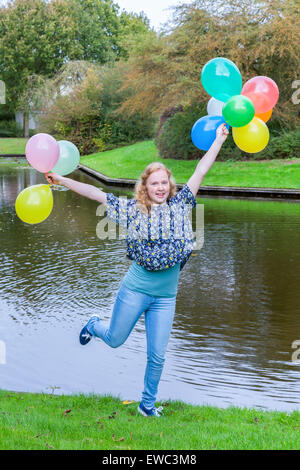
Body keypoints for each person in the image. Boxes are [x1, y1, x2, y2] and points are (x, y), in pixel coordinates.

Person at [45, 123, 228, 417]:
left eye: (164, 183)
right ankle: (93, 324)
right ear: (144, 187)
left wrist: (218, 140)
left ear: (171, 186)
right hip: (136, 290)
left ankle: (147, 404)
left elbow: (201, 171)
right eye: (154, 183)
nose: (160, 187)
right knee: (116, 340)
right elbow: (95, 193)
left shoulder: (182, 204)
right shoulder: (132, 210)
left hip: (166, 297)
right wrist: (63, 181)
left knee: (157, 354)